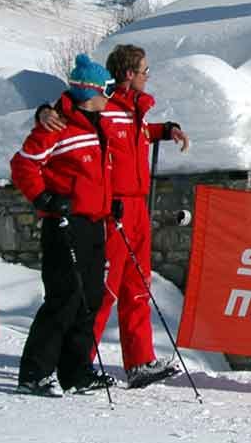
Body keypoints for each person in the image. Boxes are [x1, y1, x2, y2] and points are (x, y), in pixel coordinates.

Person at [37, 45, 189, 389]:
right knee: (104, 288)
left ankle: (139, 361)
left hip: (138, 206)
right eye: (145, 70)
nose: (148, 76)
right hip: (112, 207)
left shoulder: (136, 111)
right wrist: (43, 111)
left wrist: (165, 130)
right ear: (128, 74)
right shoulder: (104, 107)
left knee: (138, 284)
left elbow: (134, 137)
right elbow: (68, 115)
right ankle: (80, 363)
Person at [9, 56, 119, 396]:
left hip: (93, 222)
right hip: (64, 223)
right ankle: (34, 373)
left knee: (91, 298)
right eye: (107, 90)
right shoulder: (56, 125)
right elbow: (23, 166)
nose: (111, 97)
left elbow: (94, 174)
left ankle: (77, 372)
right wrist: (44, 199)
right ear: (90, 92)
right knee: (64, 297)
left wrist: (109, 201)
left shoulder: (96, 124)